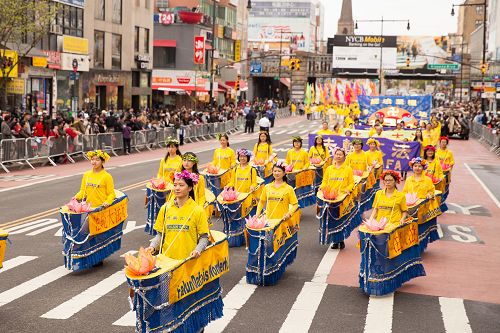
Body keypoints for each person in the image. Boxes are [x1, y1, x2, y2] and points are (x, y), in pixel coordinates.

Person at [148, 170, 209, 260]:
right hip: (167, 261)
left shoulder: (198, 210)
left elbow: (204, 237)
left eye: (181, 185)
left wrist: (197, 250)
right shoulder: (165, 208)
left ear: (190, 188)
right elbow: (160, 235)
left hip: (188, 261)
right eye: (175, 185)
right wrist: (152, 247)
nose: (177, 188)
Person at [319, 147, 354, 249]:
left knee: (340, 219)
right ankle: (334, 241)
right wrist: (322, 188)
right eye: (337, 154)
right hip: (329, 198)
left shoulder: (348, 169)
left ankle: (341, 240)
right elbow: (325, 181)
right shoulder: (329, 168)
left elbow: (351, 182)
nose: (338, 156)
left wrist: (348, 189)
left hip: (342, 198)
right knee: (331, 219)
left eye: (340, 154)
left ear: (344, 156)